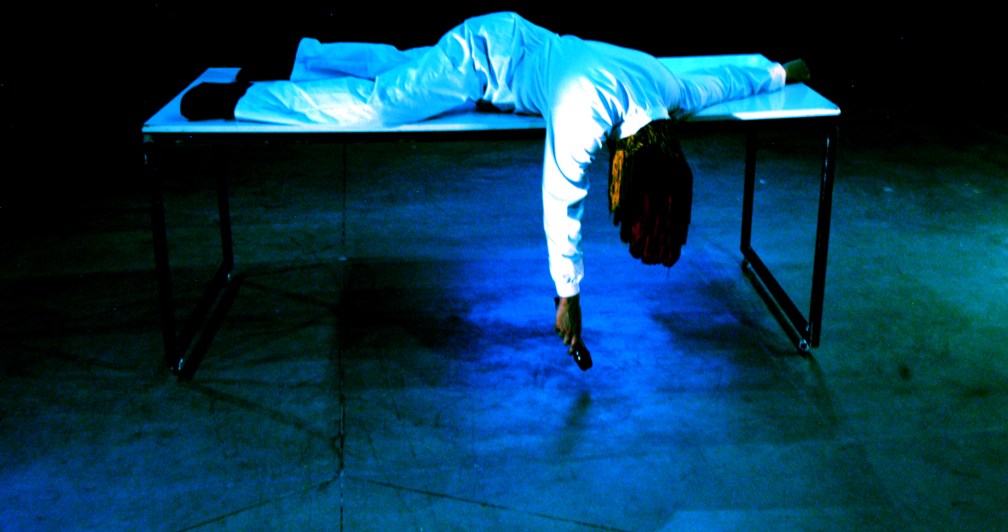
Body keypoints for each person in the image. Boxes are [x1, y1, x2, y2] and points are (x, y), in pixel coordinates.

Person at [181, 12, 810, 367]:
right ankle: (242, 100)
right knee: (380, 105)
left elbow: (719, 80)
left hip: (513, 44)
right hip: (481, 58)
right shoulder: (583, 110)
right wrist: (568, 296)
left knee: (401, 69)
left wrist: (780, 73)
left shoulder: (666, 95)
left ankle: (302, 58)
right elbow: (561, 199)